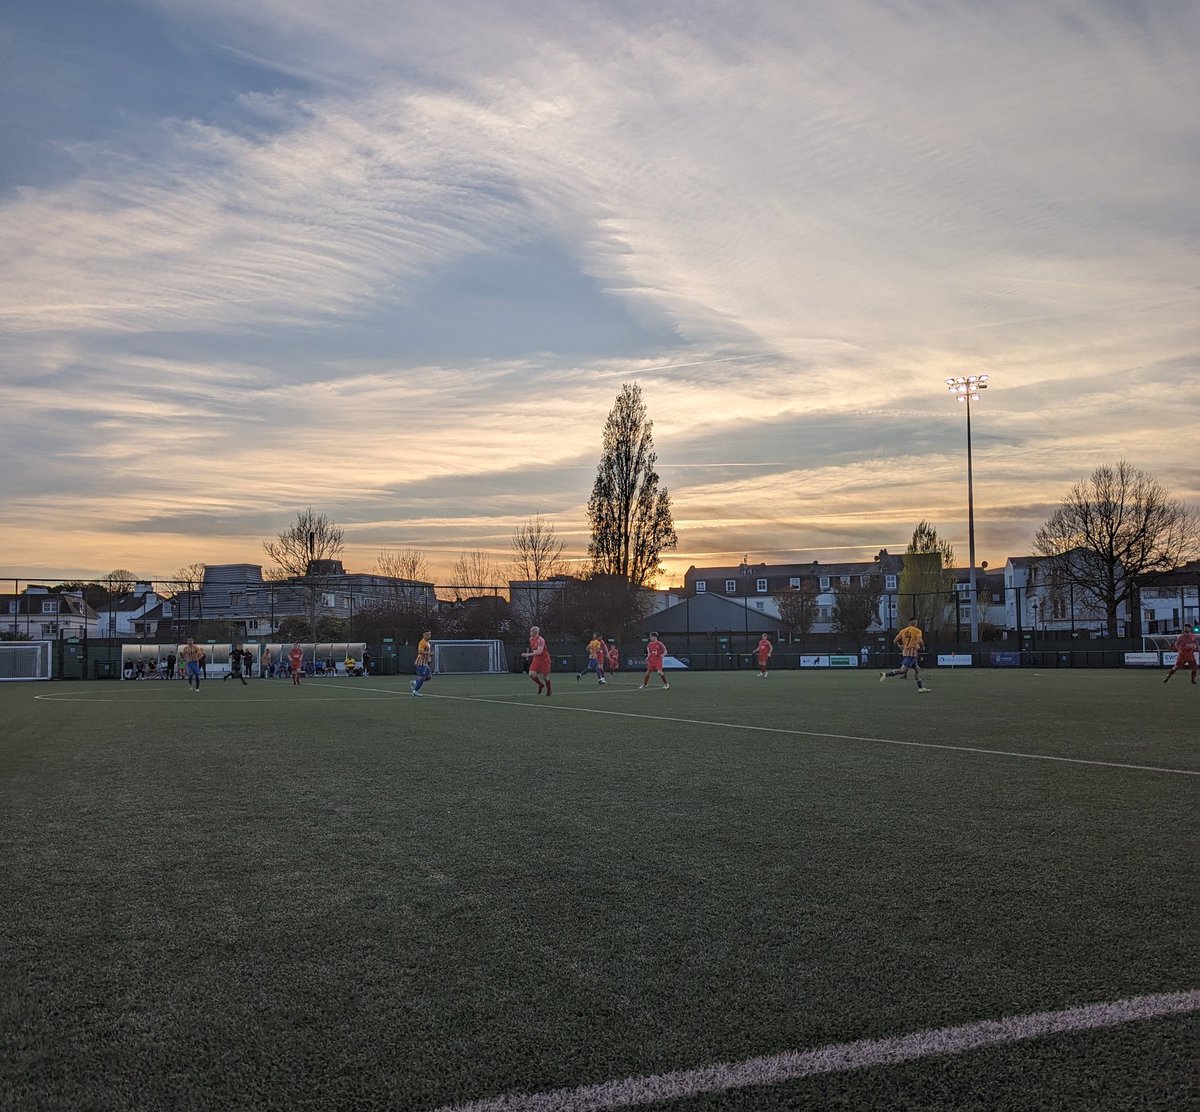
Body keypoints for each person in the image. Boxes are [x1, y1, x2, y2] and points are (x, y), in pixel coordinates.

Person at [881, 617, 930, 693]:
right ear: (915, 623)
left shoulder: (903, 631)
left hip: (907, 653)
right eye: (916, 622)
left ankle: (920, 688)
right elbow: (920, 640)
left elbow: (895, 641)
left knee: (916, 670)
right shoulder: (917, 631)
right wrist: (923, 646)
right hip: (911, 654)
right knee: (903, 671)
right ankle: (885, 674)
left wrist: (900, 646)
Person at [522, 625, 553, 696]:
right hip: (536, 659)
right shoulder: (531, 639)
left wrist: (528, 654)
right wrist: (532, 655)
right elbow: (534, 650)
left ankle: (549, 690)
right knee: (531, 674)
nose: (530, 632)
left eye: (531, 631)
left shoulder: (540, 640)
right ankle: (540, 684)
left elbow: (539, 652)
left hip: (544, 660)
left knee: (545, 677)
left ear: (535, 632)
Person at [411, 631, 433, 696]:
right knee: (422, 677)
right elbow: (420, 652)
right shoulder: (422, 642)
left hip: (425, 662)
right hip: (420, 662)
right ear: (423, 635)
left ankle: (414, 682)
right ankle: (415, 691)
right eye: (427, 634)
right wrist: (429, 654)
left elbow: (426, 652)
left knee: (429, 677)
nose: (429, 636)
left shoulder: (427, 642)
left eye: (429, 634)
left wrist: (429, 658)